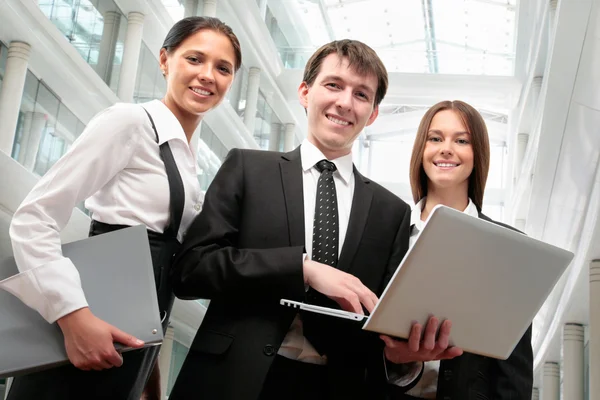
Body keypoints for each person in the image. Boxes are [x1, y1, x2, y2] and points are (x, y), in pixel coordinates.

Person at [167, 39, 462, 400]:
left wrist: (402, 357)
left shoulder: (393, 213)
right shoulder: (248, 168)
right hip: (233, 380)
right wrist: (302, 268)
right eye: (333, 85)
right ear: (305, 92)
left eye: (361, 94)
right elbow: (191, 269)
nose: (344, 102)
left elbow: (380, 325)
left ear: (372, 114)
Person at [3, 16, 241, 400]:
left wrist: (149, 376)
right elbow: (34, 218)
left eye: (223, 68)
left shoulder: (188, 162)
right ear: (165, 60)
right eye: (195, 59)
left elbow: (159, 272)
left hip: (130, 343)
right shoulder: (130, 123)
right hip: (89, 325)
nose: (207, 75)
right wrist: (73, 317)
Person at [401, 100, 533, 399]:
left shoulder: (508, 249)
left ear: (478, 155)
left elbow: (514, 367)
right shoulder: (387, 234)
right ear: (421, 150)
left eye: (462, 140)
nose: (446, 148)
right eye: (435, 138)